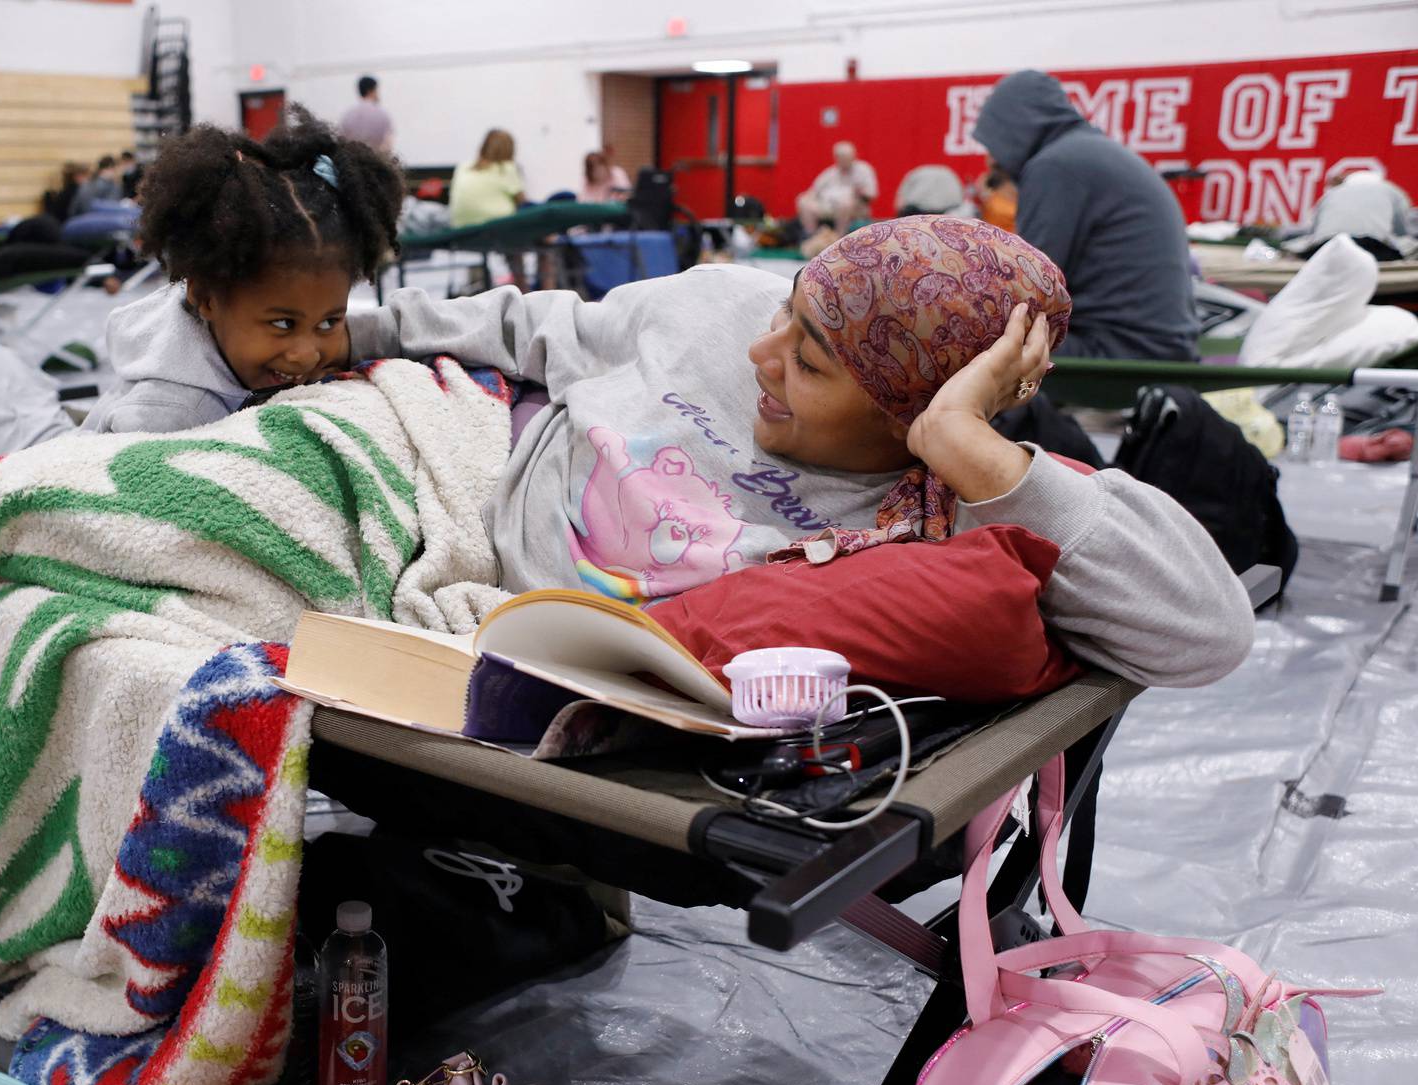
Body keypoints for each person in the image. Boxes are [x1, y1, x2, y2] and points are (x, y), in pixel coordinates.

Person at [343, 216, 1254, 686]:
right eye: (789, 311)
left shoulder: (937, 517)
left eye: (809, 361)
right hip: (447, 492)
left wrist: (972, 453)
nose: (761, 353)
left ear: (915, 417)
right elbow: (535, 325)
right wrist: (335, 332)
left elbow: (1208, 636)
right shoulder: (726, 307)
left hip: (531, 667)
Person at [84, 108, 404, 435]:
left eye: (328, 322)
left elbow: (424, 322)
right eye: (282, 324)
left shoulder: (246, 326)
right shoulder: (168, 421)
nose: (306, 355)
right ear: (206, 297)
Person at [974, 69, 1196, 361]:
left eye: (994, 144)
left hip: (1117, 354)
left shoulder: (1055, 167)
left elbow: (1025, 289)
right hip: (1158, 349)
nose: (991, 160)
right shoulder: (1088, 153)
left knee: (964, 353)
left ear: (1015, 130)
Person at [796, 141, 878, 232]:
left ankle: (839, 238)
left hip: (854, 206)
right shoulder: (830, 173)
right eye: (841, 157)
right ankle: (811, 236)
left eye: (847, 157)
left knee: (846, 204)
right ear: (836, 158)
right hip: (827, 205)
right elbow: (813, 191)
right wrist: (807, 197)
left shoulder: (864, 170)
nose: (844, 160)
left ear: (853, 156)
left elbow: (871, 194)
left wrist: (860, 193)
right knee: (803, 201)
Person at [449, 129, 524, 228]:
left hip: (460, 228)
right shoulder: (506, 168)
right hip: (497, 228)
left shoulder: (463, 167)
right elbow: (522, 202)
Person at [338, 75, 395, 156]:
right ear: (371, 91)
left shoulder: (348, 115)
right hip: (376, 161)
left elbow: (342, 140)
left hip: (353, 162)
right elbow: (387, 144)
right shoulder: (382, 114)